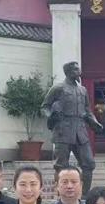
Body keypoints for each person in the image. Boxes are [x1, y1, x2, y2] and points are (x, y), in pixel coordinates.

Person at [43, 61, 100, 193]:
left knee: (89, 164)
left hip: (80, 131)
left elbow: (87, 110)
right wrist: (52, 115)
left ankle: (84, 195)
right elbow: (45, 106)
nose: (78, 71)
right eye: (75, 69)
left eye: (78, 69)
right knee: (61, 166)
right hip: (63, 130)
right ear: (68, 72)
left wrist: (94, 122)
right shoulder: (58, 88)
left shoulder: (83, 90)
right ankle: (61, 194)